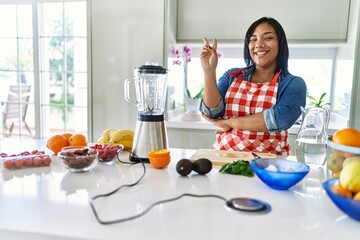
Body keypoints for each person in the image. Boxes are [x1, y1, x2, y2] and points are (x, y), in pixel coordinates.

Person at [200, 17, 307, 156]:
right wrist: (208, 70)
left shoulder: (293, 84)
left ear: (280, 44)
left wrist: (230, 123)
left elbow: (277, 119)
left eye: (268, 38)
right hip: (223, 159)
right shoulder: (232, 76)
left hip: (270, 166)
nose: (259, 44)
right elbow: (212, 112)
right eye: (253, 39)